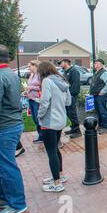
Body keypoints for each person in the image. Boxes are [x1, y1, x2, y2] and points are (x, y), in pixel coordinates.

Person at [0, 44, 27, 213]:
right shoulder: (12, 75)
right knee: (1, 165)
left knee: (5, 166)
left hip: (3, 128)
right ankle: (4, 198)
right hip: (12, 124)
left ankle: (17, 203)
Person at [37, 62, 71, 193]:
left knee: (51, 151)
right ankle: (59, 175)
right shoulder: (62, 80)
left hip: (49, 121)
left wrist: (40, 116)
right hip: (61, 119)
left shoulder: (47, 81)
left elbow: (45, 102)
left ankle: (56, 184)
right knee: (55, 149)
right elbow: (68, 101)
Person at [59, 59, 81, 138]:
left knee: (72, 113)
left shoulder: (73, 71)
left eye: (60, 63)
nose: (59, 65)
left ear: (65, 63)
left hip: (71, 96)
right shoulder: (65, 72)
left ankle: (77, 131)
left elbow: (76, 84)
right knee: (68, 112)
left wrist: (71, 95)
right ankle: (73, 128)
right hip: (66, 96)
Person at [89, 59, 107, 134]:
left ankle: (105, 127)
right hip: (96, 95)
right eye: (94, 63)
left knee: (102, 111)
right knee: (98, 111)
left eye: (96, 63)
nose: (94, 64)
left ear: (101, 64)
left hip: (101, 96)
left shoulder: (104, 73)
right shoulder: (97, 72)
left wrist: (102, 92)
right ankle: (101, 126)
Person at [24, 60, 43, 143]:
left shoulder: (40, 75)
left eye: (29, 66)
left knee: (38, 118)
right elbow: (30, 85)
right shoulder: (32, 74)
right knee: (34, 119)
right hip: (30, 99)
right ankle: (40, 135)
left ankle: (42, 136)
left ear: (35, 66)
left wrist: (30, 88)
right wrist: (26, 91)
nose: (28, 68)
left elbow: (42, 87)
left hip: (37, 100)